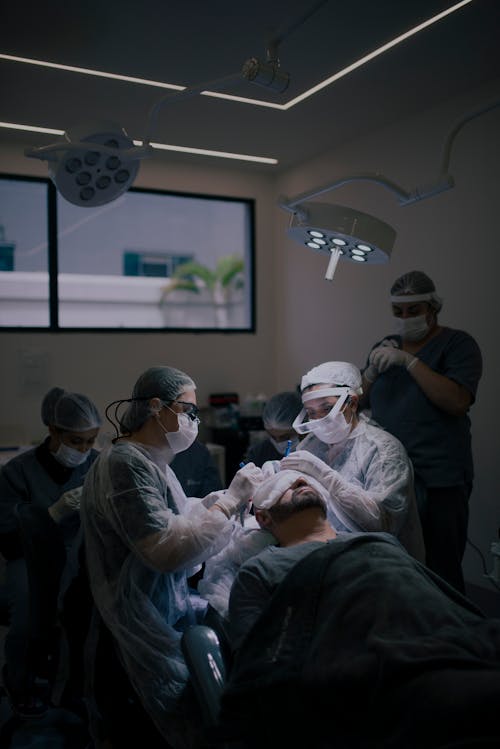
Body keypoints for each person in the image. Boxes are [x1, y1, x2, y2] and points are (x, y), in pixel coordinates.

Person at [220, 468, 500, 749]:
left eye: (304, 479)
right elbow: (257, 665)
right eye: (283, 486)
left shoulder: (380, 542)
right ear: (263, 517)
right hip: (376, 670)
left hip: (450, 640)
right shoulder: (261, 569)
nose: (300, 481)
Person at [79, 365, 264, 749]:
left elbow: (172, 520)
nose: (194, 421)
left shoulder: (148, 460)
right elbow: (167, 551)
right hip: (138, 619)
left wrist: (211, 503)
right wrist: (230, 503)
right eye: (189, 411)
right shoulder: (125, 463)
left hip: (157, 604)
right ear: (156, 407)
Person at [360, 270, 482, 593]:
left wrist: (410, 363)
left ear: (432, 308)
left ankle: (452, 636)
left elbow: (456, 401)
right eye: (398, 311)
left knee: (441, 569)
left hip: (440, 476)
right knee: (397, 565)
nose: (404, 318)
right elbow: (356, 400)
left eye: (413, 310)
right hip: (392, 477)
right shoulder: (385, 347)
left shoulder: (457, 345)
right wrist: (371, 370)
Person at [0, 386, 102, 717]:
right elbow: (8, 540)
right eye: (76, 441)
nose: (84, 450)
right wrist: (50, 516)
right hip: (29, 560)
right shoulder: (17, 472)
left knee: (97, 611)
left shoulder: (99, 465)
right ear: (53, 431)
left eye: (90, 441)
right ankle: (21, 684)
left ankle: (80, 685)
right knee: (30, 618)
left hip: (84, 553)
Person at [285, 360, 425, 561]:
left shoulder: (383, 450)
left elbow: (383, 523)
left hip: (380, 563)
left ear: (352, 403)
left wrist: (326, 476)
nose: (319, 420)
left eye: (327, 408)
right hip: (324, 554)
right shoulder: (310, 445)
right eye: (311, 412)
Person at [242, 390, 302, 466]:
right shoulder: (259, 453)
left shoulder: (315, 450)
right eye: (272, 436)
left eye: (285, 437)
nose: (278, 443)